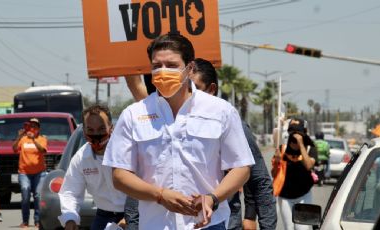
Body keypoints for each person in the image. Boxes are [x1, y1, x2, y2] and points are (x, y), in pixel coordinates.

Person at [103, 33, 254, 230]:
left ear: (189, 68)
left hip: (208, 225)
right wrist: (159, 195)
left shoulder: (221, 111)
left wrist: (213, 198)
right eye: (157, 66)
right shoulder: (133, 114)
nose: (163, 72)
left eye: (171, 65)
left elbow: (241, 167)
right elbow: (120, 176)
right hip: (155, 225)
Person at [125, 58, 276, 229]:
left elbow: (258, 181)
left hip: (219, 223)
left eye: (191, 88)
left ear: (211, 90)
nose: (181, 94)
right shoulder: (157, 123)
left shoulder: (229, 123)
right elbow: (140, 179)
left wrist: (255, 219)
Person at [58, 104, 127, 230]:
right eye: (90, 130)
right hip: (103, 216)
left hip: (132, 214)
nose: (96, 135)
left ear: (111, 128)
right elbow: (70, 191)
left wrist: (130, 218)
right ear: (84, 131)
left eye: (101, 129)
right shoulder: (81, 158)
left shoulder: (127, 152)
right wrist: (70, 218)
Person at [272, 118, 318, 230]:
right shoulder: (282, 149)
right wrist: (277, 162)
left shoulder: (309, 147)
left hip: (304, 195)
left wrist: (301, 145)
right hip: (285, 196)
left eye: (298, 133)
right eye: (293, 134)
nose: (295, 138)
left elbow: (309, 165)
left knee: (303, 228)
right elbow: (274, 175)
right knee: (289, 227)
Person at [12, 118, 47, 228]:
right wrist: (19, 136)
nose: (32, 128)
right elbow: (14, 149)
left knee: (37, 195)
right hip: (24, 172)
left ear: (38, 129)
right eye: (31, 126)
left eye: (35, 126)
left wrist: (34, 140)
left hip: (39, 173)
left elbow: (43, 150)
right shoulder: (23, 139)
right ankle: (25, 221)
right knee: (25, 192)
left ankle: (37, 220)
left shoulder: (42, 139)